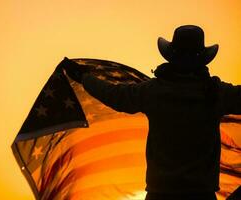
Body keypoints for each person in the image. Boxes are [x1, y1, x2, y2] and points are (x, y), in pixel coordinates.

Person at [63, 25, 241, 200]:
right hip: (201, 194)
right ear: (202, 60)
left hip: (161, 193)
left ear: (172, 57)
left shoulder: (153, 91)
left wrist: (85, 78)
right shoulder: (216, 92)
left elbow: (115, 96)